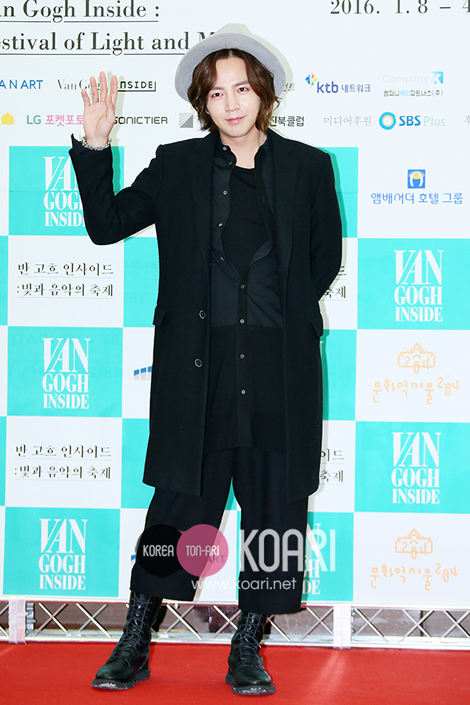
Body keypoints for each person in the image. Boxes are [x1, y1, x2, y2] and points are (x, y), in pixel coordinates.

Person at [69, 24, 342, 695]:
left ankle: (248, 644)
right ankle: (136, 638)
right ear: (203, 103)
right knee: (177, 507)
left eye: (241, 89)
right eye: (216, 93)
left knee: (275, 508)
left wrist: (275, 318)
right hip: (199, 368)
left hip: (278, 369)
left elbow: (322, 260)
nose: (231, 103)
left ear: (263, 93)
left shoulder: (308, 167)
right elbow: (106, 225)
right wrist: (96, 144)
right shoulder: (178, 166)